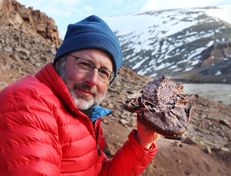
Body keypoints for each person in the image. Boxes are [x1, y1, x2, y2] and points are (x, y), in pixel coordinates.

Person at [0, 15, 158, 175]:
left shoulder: (82, 113)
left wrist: (142, 142)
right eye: (84, 64)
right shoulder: (28, 103)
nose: (92, 80)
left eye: (103, 72)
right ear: (61, 61)